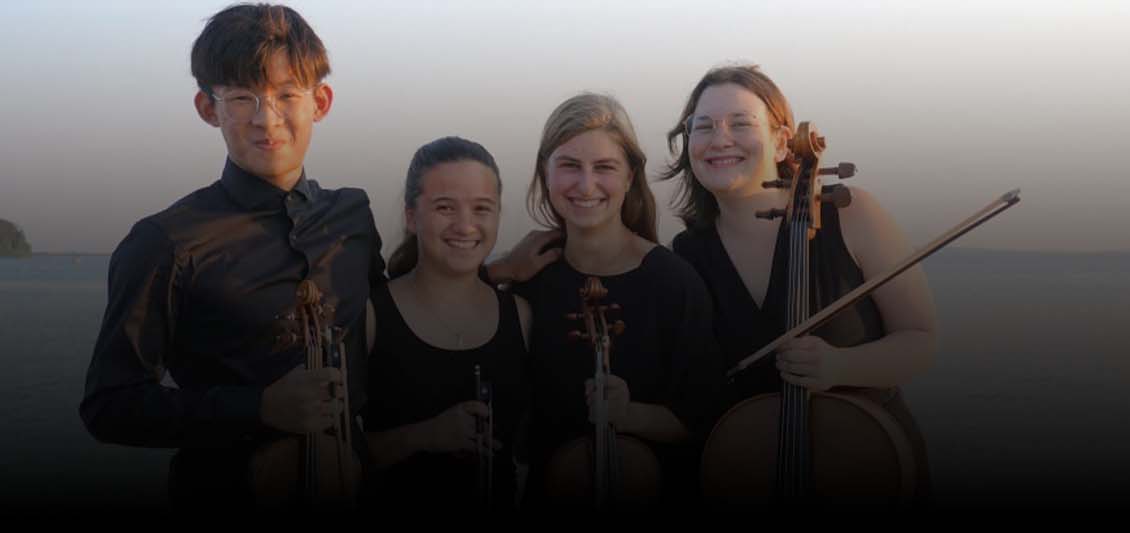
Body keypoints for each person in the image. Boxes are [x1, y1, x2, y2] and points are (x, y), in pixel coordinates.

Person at [79, 3, 383, 509]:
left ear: (321, 102)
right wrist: (258, 408)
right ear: (208, 108)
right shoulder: (164, 242)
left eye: (288, 94)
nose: (267, 120)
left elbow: (395, 314)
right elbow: (109, 406)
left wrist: (501, 275)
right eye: (243, 98)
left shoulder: (352, 216)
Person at [663, 65, 937, 500]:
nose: (720, 139)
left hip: (867, 465)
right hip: (753, 471)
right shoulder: (688, 254)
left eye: (740, 124)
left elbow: (922, 341)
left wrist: (840, 367)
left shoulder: (851, 213)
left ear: (781, 141)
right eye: (703, 127)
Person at [514, 93, 729, 505]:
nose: (586, 184)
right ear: (546, 173)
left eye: (605, 167)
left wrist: (632, 415)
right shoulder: (529, 279)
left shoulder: (672, 282)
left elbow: (704, 420)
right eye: (570, 166)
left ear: (630, 176)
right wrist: (495, 272)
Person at [360, 137, 530, 509]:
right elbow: (335, 456)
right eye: (444, 207)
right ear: (411, 215)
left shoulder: (521, 316)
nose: (465, 225)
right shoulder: (370, 316)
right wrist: (425, 436)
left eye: (482, 208)